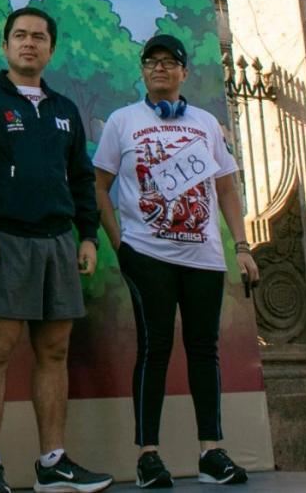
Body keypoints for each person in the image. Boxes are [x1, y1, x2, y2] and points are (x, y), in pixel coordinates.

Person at [0, 7, 112, 493]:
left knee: (55, 350)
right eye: (19, 35)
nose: (29, 43)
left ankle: (53, 463)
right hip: (3, 238)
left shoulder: (64, 110)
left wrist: (88, 235)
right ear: (5, 46)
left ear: (50, 49)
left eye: (39, 37)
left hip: (59, 240)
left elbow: (83, 179)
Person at [93, 34, 258, 488]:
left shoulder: (205, 123)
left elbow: (226, 188)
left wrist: (241, 246)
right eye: (151, 61)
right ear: (143, 71)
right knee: (155, 347)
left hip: (203, 257)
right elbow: (98, 185)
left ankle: (212, 452)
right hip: (148, 254)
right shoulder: (123, 122)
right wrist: (118, 243)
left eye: (169, 62)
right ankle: (149, 455)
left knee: (205, 350)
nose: (160, 68)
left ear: (184, 72)